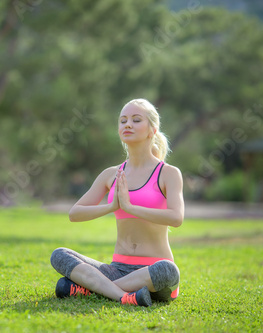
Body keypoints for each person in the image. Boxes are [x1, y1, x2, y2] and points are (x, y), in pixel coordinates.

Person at [50, 98, 184, 306]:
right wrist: (111, 207)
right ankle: (124, 296)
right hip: (117, 268)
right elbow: (75, 213)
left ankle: (94, 288)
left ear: (152, 130)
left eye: (136, 120)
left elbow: (176, 218)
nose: (128, 124)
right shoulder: (111, 174)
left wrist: (131, 208)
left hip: (153, 272)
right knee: (60, 255)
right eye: (123, 121)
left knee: (168, 270)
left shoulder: (168, 173)